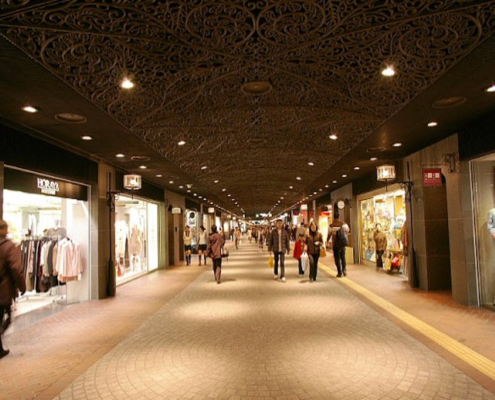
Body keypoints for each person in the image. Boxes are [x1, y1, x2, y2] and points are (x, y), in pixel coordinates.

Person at [0, 219, 26, 359]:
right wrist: (22, 286)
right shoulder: (8, 246)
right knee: (7, 317)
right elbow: (16, 269)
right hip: (3, 290)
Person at [329, 212, 349, 277]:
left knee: (337, 258)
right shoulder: (343, 224)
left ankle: (339, 272)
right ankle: (344, 270)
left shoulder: (331, 226)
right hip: (342, 243)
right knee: (343, 257)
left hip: (335, 244)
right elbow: (347, 230)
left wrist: (327, 241)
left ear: (333, 217)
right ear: (339, 216)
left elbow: (329, 234)